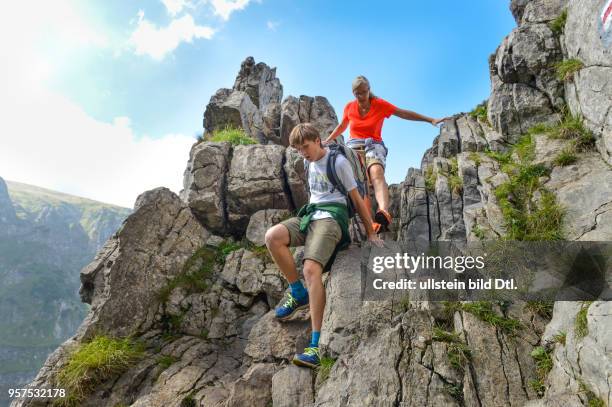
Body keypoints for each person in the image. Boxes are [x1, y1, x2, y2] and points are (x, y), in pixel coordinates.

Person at [264, 123, 383, 368]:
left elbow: (358, 200)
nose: (303, 153)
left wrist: (370, 233)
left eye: (305, 147)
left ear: (318, 140)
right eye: (298, 150)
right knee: (272, 237)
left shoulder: (338, 163)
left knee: (310, 269)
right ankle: (298, 293)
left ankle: (316, 347)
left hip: (333, 217)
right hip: (312, 214)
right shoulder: (308, 162)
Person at [324, 75, 449, 232]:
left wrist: (430, 120)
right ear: (353, 93)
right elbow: (342, 126)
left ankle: (383, 211)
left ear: (369, 90)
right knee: (361, 183)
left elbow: (403, 113)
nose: (360, 96)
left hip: (373, 143)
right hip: (354, 145)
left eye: (363, 92)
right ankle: (370, 223)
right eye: (357, 93)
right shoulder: (349, 107)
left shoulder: (379, 104)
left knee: (376, 172)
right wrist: (327, 141)